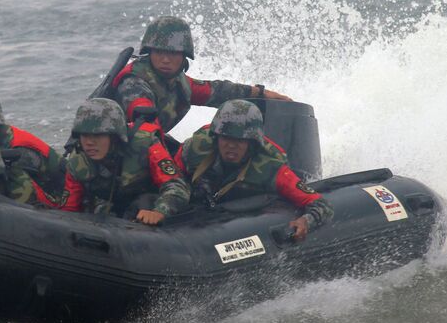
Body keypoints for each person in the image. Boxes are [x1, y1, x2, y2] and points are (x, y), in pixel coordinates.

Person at [112, 16, 292, 141]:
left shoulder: (176, 83)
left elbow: (216, 91)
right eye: (159, 52)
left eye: (173, 53)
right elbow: (144, 123)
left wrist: (260, 92)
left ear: (184, 57)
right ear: (149, 52)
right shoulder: (134, 83)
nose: (165, 59)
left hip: (146, 147)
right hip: (115, 158)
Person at [174, 99, 333, 241]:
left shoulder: (271, 167)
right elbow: (171, 179)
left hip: (243, 215)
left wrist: (305, 221)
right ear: (216, 138)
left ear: (252, 144)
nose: (231, 146)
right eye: (226, 138)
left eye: (239, 141)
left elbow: (321, 204)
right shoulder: (195, 149)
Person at [59, 98, 190, 225]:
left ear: (115, 136)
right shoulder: (78, 161)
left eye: (98, 135)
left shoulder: (145, 144)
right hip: (110, 212)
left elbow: (177, 186)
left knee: (144, 202)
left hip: (147, 206)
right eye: (84, 135)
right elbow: (70, 208)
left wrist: (160, 211)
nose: (89, 143)